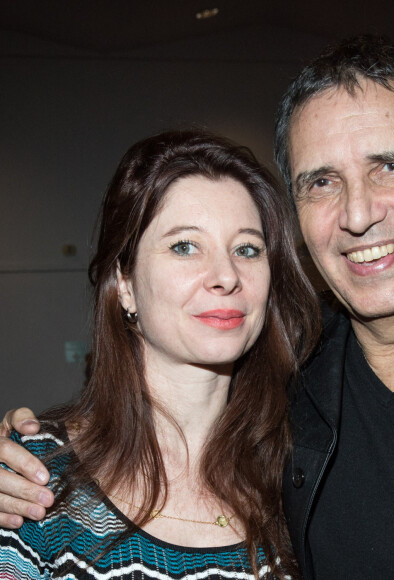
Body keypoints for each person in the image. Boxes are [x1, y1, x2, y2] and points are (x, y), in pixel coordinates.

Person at [2, 34, 394, 578]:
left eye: (389, 165)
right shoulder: (300, 387)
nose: (358, 215)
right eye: (322, 182)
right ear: (123, 283)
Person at [0, 128, 321, 578]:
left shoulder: (304, 477)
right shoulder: (33, 481)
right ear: (126, 284)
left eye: (247, 249)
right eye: (185, 246)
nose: (226, 275)